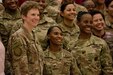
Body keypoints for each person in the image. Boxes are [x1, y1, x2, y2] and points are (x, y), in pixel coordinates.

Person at [8, 1, 44, 75]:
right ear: (23, 16)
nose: (36, 17)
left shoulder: (33, 34)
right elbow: (20, 68)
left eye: (38, 15)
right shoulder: (18, 37)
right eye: (33, 14)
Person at [0, 0, 21, 74]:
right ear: (3, 2)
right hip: (8, 60)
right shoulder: (0, 18)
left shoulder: (26, 14)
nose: (12, 1)